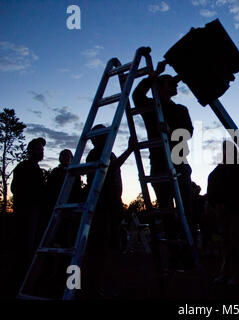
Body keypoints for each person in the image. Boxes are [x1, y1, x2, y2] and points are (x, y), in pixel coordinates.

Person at [132, 62, 195, 255]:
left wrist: (171, 131)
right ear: (159, 87)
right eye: (170, 83)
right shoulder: (151, 106)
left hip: (179, 162)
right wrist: (156, 73)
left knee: (187, 210)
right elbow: (137, 95)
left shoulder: (181, 109)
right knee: (167, 211)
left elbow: (189, 132)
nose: (175, 86)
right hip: (159, 164)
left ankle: (189, 253)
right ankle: (175, 255)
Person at [83, 124, 135, 296]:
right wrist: (129, 150)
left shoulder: (107, 152)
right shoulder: (96, 153)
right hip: (100, 206)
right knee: (96, 249)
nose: (107, 137)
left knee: (102, 248)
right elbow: (110, 169)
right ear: (96, 139)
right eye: (103, 135)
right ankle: (89, 286)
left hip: (109, 205)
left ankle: (93, 284)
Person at [207, 140, 239, 285]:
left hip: (235, 209)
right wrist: (216, 203)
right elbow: (213, 183)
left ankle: (237, 274)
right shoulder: (220, 169)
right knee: (225, 242)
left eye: (228, 149)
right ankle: (226, 272)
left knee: (235, 241)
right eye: (224, 149)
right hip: (222, 209)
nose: (226, 151)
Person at [11, 137, 46, 290]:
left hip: (34, 211)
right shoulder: (23, 167)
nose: (41, 152)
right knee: (24, 245)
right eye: (38, 149)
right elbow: (15, 189)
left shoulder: (36, 168)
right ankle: (20, 280)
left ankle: (26, 278)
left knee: (30, 245)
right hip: (26, 212)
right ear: (30, 151)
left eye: (42, 149)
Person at [45, 149, 82, 247]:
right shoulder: (55, 172)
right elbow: (49, 189)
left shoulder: (74, 173)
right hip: (55, 206)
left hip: (70, 207)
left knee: (67, 234)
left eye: (67, 156)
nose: (65, 158)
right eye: (63, 156)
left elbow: (77, 189)